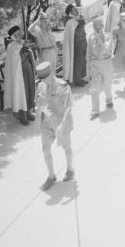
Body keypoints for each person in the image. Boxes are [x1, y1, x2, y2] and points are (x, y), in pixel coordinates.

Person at [34, 61, 75, 191]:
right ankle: (51, 176)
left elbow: (68, 107)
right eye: (41, 79)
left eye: (45, 78)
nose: (43, 81)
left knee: (66, 147)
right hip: (47, 122)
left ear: (52, 73)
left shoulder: (63, 86)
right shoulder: (40, 86)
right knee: (45, 149)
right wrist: (38, 108)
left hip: (61, 121)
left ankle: (70, 169)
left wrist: (62, 124)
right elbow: (40, 104)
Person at [4, 25, 34, 125]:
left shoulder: (22, 43)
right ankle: (23, 117)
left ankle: (29, 112)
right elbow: (17, 61)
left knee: (29, 91)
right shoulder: (11, 47)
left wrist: (28, 49)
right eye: (17, 34)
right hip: (20, 76)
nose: (19, 36)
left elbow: (29, 55)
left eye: (20, 33)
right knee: (22, 93)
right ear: (13, 36)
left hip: (28, 71)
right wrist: (24, 49)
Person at [87, 16, 114, 120]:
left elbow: (106, 50)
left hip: (106, 62)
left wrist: (99, 38)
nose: (97, 27)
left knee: (107, 84)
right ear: (93, 27)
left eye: (100, 25)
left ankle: (109, 100)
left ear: (102, 26)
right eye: (95, 26)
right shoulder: (90, 37)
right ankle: (95, 110)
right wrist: (88, 67)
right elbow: (88, 53)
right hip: (95, 63)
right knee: (95, 87)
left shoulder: (107, 36)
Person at [62, 4, 79, 86]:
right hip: (72, 46)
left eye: (76, 9)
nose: (77, 11)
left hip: (78, 45)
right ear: (71, 12)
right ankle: (71, 79)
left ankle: (78, 78)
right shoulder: (70, 23)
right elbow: (70, 36)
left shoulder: (77, 19)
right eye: (75, 10)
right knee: (71, 59)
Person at [73, 12, 88, 87]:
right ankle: (77, 80)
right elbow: (78, 34)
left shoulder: (81, 25)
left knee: (83, 61)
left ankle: (81, 78)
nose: (83, 23)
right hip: (78, 44)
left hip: (83, 43)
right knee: (78, 61)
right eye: (82, 21)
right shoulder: (76, 27)